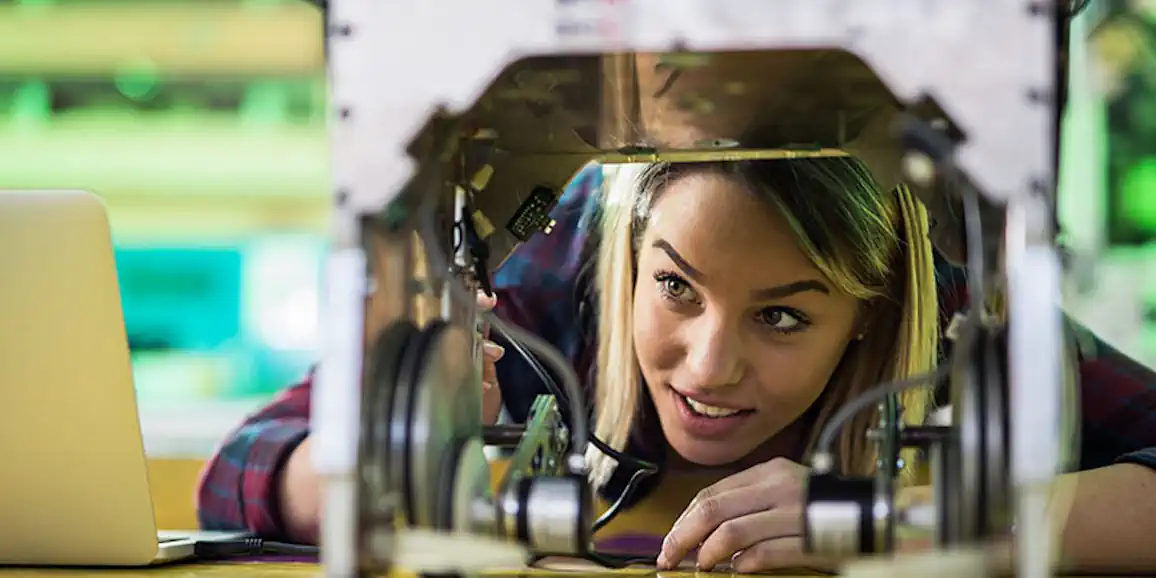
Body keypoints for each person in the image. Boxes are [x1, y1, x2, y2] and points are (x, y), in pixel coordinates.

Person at [197, 159, 1156, 573]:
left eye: (783, 315)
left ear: (871, 315)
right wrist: (393, 461)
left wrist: (913, 526)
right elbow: (242, 470)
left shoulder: (949, 303)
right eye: (677, 289)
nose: (710, 365)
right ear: (628, 259)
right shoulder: (565, 260)